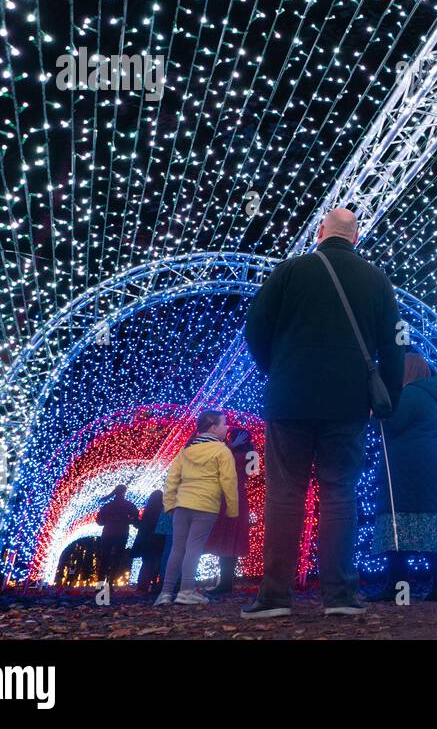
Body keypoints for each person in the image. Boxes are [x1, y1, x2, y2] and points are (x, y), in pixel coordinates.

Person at [241, 207, 404, 619]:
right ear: (356, 236)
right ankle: (340, 597)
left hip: (290, 399)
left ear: (320, 232)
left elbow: (255, 328)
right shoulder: (376, 279)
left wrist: (276, 370)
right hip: (348, 403)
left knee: (285, 494)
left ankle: (275, 597)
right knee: (338, 493)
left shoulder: (290, 270)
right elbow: (393, 344)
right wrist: (390, 397)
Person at [369, 352, 437, 602]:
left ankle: (397, 586)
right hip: (428, 474)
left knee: (396, 528)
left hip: (407, 474)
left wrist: (375, 414)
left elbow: (388, 425)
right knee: (430, 530)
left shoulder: (411, 394)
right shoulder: (434, 396)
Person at [155, 410, 239, 606]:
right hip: (205, 505)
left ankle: (165, 593)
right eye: (224, 423)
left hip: (182, 505)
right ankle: (186, 591)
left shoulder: (185, 452)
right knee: (194, 547)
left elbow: (171, 480)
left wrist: (169, 504)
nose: (227, 427)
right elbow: (229, 481)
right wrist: (233, 509)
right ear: (212, 427)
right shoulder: (222, 451)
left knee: (177, 548)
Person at [205, 427, 254, 595]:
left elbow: (253, 472)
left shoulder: (241, 452)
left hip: (232, 496)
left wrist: (233, 447)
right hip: (230, 496)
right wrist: (233, 446)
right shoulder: (227, 449)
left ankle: (226, 582)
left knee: (230, 538)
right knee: (227, 538)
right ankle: (225, 582)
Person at [95, 485, 139, 587]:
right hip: (122, 533)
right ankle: (110, 584)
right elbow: (136, 520)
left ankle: (100, 585)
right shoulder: (128, 505)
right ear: (124, 492)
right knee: (117, 558)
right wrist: (127, 520)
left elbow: (99, 521)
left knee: (105, 558)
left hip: (108, 532)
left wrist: (110, 520)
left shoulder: (108, 505)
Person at [132, 490, 167, 594]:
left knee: (146, 563)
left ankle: (142, 586)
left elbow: (141, 526)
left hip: (146, 541)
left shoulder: (148, 511)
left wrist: (134, 520)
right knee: (158, 563)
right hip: (159, 540)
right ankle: (156, 586)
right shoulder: (164, 511)